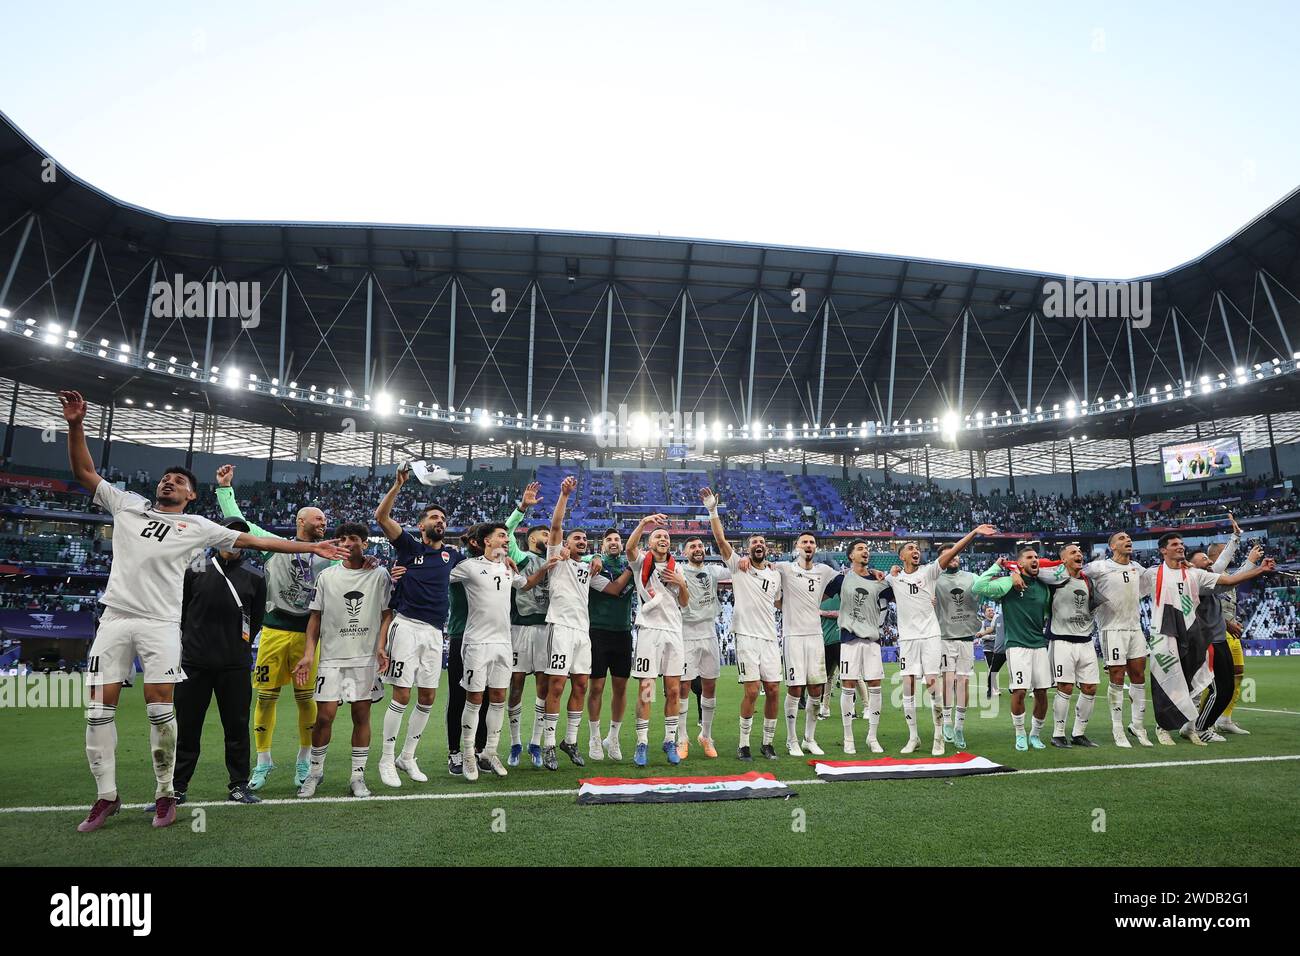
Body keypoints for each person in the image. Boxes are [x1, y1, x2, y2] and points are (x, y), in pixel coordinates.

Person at [58, 390, 344, 832]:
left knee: (160, 709)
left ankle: (165, 793)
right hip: (114, 618)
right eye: (166, 478)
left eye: (178, 480)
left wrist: (310, 546)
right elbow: (84, 471)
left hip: (160, 625)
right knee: (98, 710)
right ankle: (106, 796)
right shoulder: (127, 505)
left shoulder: (196, 527)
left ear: (191, 495)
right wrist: (76, 423)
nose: (169, 481)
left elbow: (256, 540)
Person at [216, 463, 334, 789]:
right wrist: (225, 489)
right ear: (300, 522)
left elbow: (357, 563)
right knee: (265, 698)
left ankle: (303, 759)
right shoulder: (271, 544)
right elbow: (239, 524)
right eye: (318, 518)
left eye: (325, 519)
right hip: (273, 632)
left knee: (305, 698)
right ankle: (263, 760)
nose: (324, 522)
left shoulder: (330, 553)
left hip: (308, 635)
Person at [166, 517, 267, 806]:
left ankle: (239, 785)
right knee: (187, 728)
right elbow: (181, 613)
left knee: (237, 728)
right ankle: (177, 787)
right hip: (194, 664)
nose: (233, 539)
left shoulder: (255, 576)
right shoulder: (195, 569)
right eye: (228, 534)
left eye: (239, 535)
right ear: (217, 537)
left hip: (234, 665)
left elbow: (256, 620)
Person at [373, 466, 462, 786]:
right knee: (401, 695)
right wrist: (398, 485)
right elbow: (381, 517)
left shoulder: (452, 556)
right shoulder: (410, 548)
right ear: (421, 524)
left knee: (427, 698)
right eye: (434, 518)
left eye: (443, 519)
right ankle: (385, 759)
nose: (440, 521)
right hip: (407, 626)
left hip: (436, 632)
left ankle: (407, 756)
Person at [294, 523, 394, 797]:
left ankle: (357, 777)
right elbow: (315, 616)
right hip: (332, 658)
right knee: (324, 717)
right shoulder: (327, 576)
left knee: (361, 715)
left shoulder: (379, 574)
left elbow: (387, 613)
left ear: (365, 543)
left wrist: (381, 647)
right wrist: (308, 653)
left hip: (364, 657)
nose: (348, 543)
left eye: (354, 539)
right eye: (343, 539)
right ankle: (315, 773)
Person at [890, 525, 996, 755]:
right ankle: (913, 737)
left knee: (932, 683)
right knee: (907, 685)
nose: (915, 550)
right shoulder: (893, 578)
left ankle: (939, 735)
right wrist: (885, 574)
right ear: (901, 555)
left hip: (931, 635)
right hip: (907, 639)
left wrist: (974, 532)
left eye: (917, 547)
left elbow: (954, 550)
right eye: (910, 548)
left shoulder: (929, 572)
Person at [701, 487, 782, 760]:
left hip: (771, 638)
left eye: (762, 542)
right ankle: (744, 743)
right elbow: (721, 540)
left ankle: (767, 743)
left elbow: (781, 602)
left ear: (767, 548)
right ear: (748, 549)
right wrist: (713, 510)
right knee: (752, 691)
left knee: (773, 690)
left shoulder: (776, 574)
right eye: (753, 542)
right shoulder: (738, 565)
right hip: (746, 637)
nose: (758, 545)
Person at [538, 476, 612, 770]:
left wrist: (600, 560)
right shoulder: (558, 558)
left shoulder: (588, 566)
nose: (581, 541)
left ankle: (570, 741)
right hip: (560, 627)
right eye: (576, 538)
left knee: (581, 684)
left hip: (583, 632)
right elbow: (556, 526)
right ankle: (548, 745)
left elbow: (610, 578)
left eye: (584, 539)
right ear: (565, 543)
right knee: (556, 685)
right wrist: (564, 495)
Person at [449, 522, 527, 781]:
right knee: (474, 699)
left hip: (503, 643)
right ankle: (468, 753)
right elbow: (440, 573)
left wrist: (547, 566)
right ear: (486, 541)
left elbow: (525, 584)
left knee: (498, 698)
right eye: (502, 536)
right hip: (477, 643)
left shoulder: (507, 568)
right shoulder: (468, 567)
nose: (506, 540)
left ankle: (489, 753)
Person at [973, 544, 1053, 752]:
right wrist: (998, 567)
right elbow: (979, 587)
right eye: (1029, 557)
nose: (1034, 559)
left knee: (1042, 692)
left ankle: (1035, 734)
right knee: (1019, 691)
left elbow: (1047, 612)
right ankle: (1020, 734)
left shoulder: (1044, 587)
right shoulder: (1008, 584)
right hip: (1017, 645)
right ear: (1019, 563)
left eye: (1036, 556)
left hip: (1039, 645)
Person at [768, 532, 842, 756]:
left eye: (811, 543)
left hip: (815, 636)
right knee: (795, 688)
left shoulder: (825, 571)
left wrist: (879, 574)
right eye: (804, 542)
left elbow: (848, 581)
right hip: (793, 637)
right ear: (797, 547)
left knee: (816, 688)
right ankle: (791, 740)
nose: (808, 546)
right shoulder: (785, 568)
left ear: (816, 548)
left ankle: (809, 738)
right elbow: (762, 567)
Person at [624, 514, 689, 765]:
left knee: (673, 690)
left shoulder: (677, 568)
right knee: (646, 690)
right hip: (649, 631)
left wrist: (681, 584)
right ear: (649, 543)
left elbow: (684, 602)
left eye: (666, 537)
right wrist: (643, 523)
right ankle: (642, 743)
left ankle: (670, 740)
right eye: (658, 536)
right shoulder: (641, 562)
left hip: (673, 632)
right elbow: (629, 547)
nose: (663, 539)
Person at [1189, 541, 1263, 743]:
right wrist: (1253, 564)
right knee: (1213, 687)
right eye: (1205, 559)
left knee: (1225, 685)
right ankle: (1200, 727)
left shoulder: (1210, 575)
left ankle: (1202, 724)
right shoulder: (1198, 581)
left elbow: (1228, 575)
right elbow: (1230, 580)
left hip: (1219, 638)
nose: (1210, 561)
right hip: (1209, 640)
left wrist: (1236, 538)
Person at [823, 540, 891, 753]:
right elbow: (818, 597)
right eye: (860, 549)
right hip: (848, 640)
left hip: (872, 641)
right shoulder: (841, 579)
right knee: (848, 685)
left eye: (867, 549)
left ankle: (872, 737)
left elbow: (900, 596)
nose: (866, 552)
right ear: (850, 555)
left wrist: (892, 574)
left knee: (875, 687)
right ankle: (849, 738)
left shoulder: (879, 580)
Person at [1042, 544, 1102, 748]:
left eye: (1080, 551)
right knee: (1065, 687)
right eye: (1073, 552)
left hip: (1086, 641)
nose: (1079, 554)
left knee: (1090, 687)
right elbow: (1032, 568)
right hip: (1062, 641)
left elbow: (1093, 607)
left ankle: (1079, 733)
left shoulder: (1089, 582)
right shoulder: (1056, 578)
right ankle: (1058, 734)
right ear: (1063, 559)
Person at [678, 535, 730, 758]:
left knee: (709, 686)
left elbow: (735, 567)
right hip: (686, 632)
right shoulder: (679, 570)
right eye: (692, 547)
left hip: (709, 633)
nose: (697, 549)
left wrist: (746, 560)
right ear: (684, 552)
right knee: (682, 687)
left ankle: (705, 736)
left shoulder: (714, 570)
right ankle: (682, 738)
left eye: (700, 546)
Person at [587, 527, 635, 761]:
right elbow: (615, 590)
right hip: (597, 631)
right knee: (596, 687)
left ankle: (612, 737)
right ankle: (594, 737)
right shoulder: (595, 563)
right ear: (602, 545)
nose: (614, 542)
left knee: (620, 688)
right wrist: (594, 556)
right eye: (609, 540)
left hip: (623, 632)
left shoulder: (630, 562)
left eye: (617, 539)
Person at [934, 560, 983, 750]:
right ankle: (946, 721)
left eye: (955, 555)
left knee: (963, 682)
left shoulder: (972, 577)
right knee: (947, 680)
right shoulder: (935, 577)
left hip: (967, 638)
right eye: (948, 556)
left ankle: (959, 727)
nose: (953, 558)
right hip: (945, 637)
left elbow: (986, 585)